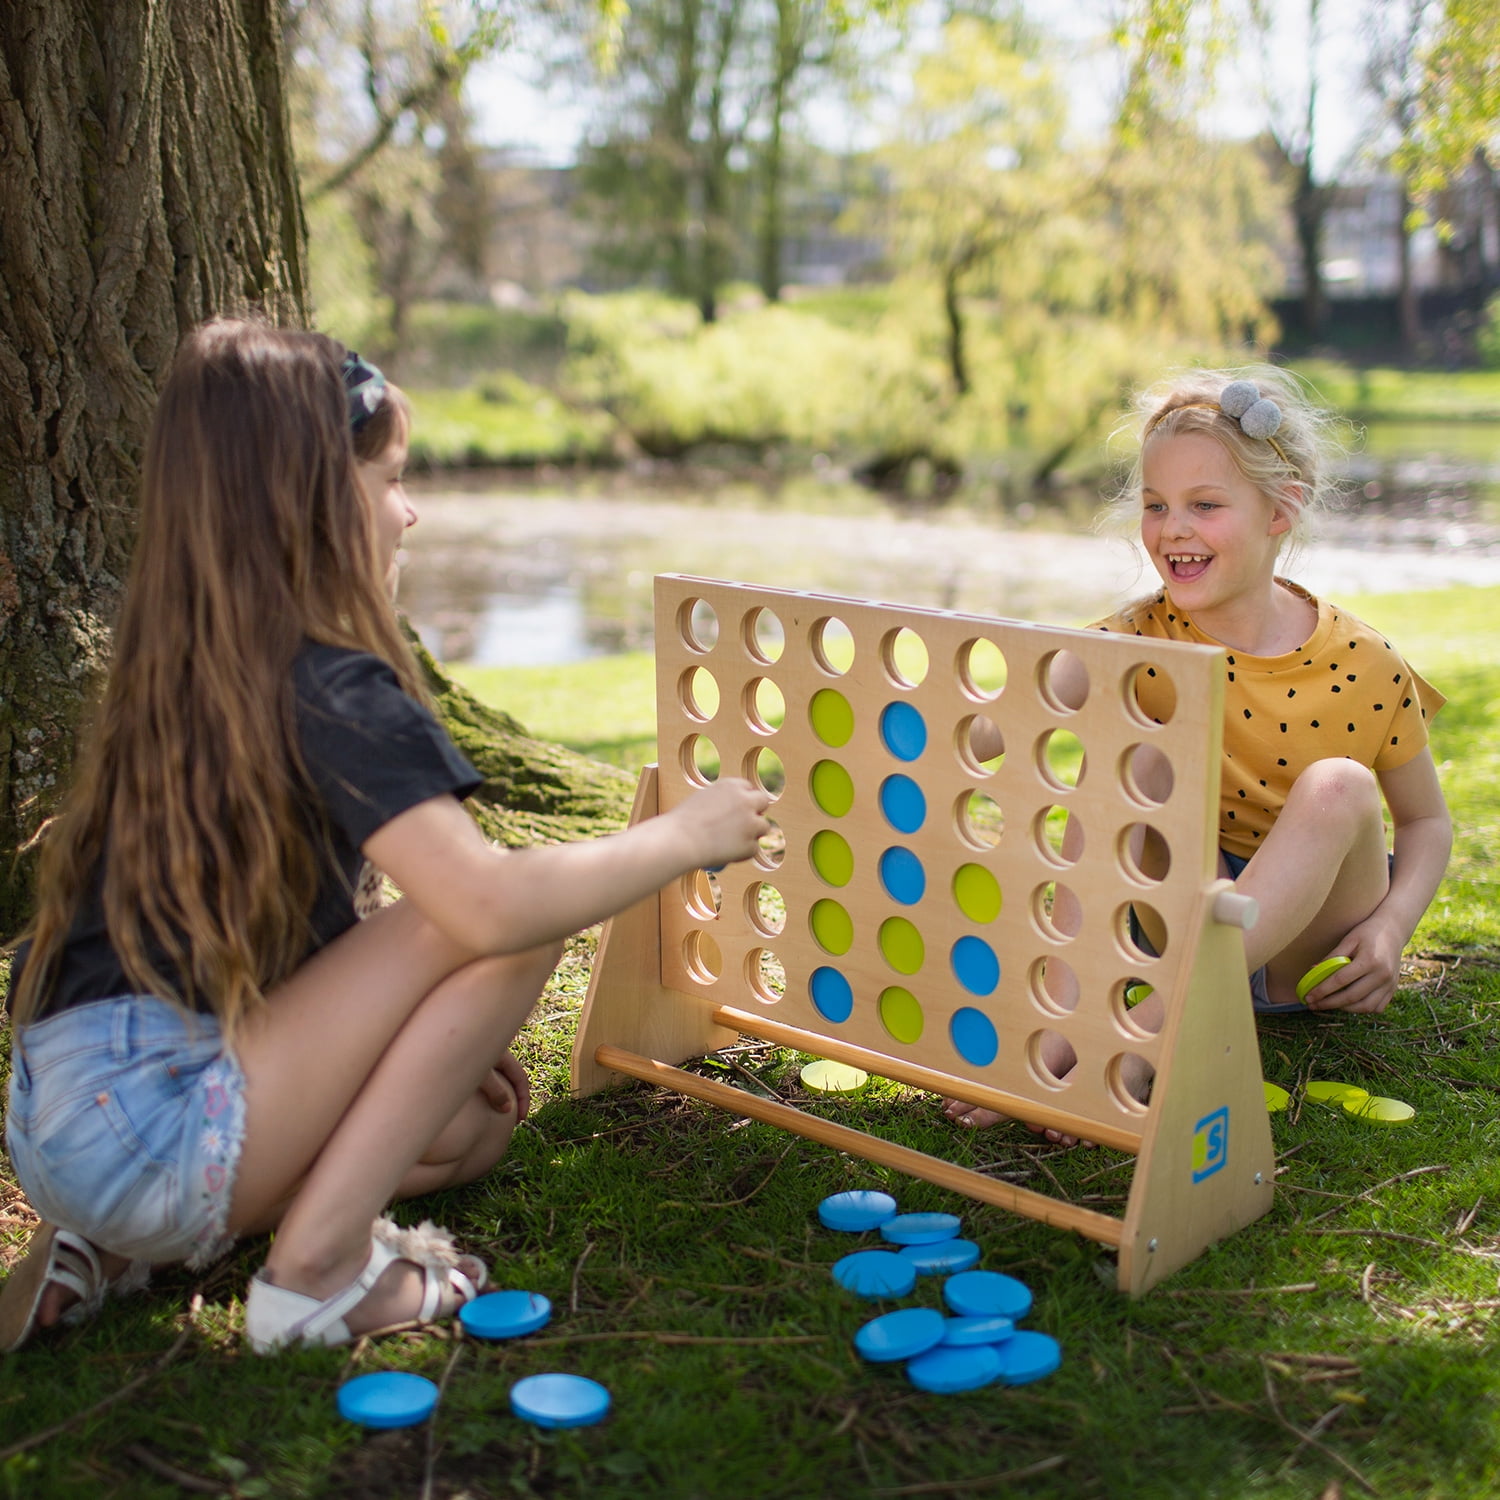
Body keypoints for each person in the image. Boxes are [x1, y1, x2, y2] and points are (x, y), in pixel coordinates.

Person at [0, 320, 771, 1353]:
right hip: (156, 1123)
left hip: (68, 1122)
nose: (410, 512)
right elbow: (489, 906)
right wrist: (684, 837)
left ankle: (109, 1248)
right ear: (315, 502)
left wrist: (443, 1058)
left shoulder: (191, 669)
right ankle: (314, 1276)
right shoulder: (333, 685)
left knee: (466, 1131)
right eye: (390, 478)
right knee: (510, 914)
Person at [944, 366, 1452, 1136]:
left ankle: (1148, 1038)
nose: (1172, 529)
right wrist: (932, 732)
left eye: (1204, 506)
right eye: (1155, 506)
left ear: (1282, 511)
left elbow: (1425, 824)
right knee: (1138, 757)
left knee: (1341, 786)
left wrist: (1390, 930)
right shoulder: (1136, 638)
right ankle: (1059, 1028)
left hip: (1304, 952)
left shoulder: (1365, 662)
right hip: (1175, 918)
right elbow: (1009, 713)